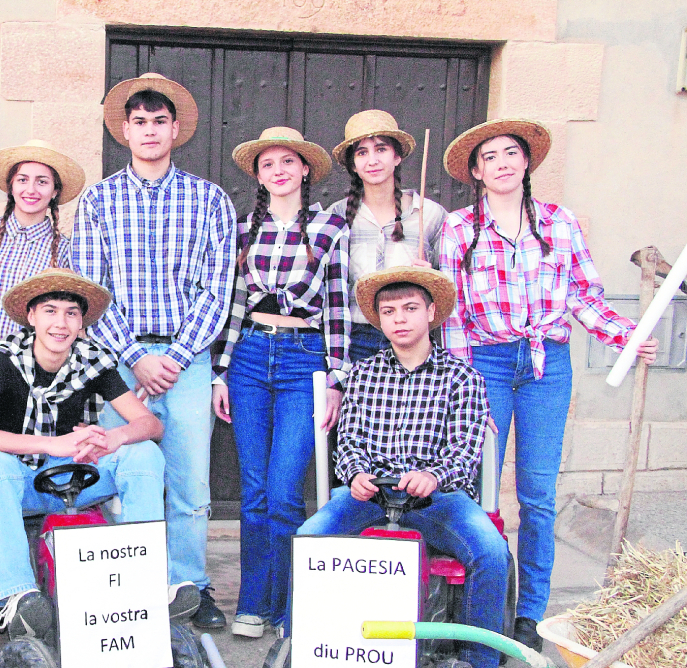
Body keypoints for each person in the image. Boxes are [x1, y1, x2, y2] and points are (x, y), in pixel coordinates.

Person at [438, 119, 658, 651]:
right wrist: (467, 385)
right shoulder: (459, 228)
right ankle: (477, 601)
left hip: (545, 365)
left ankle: (530, 612)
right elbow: (452, 315)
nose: (503, 162)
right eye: (490, 156)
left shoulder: (559, 223)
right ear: (476, 170)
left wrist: (625, 337)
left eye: (511, 153)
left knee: (537, 495)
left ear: (527, 162)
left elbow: (583, 295)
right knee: (473, 486)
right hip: (483, 364)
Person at [71, 73, 236, 629]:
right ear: (123, 130)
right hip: (117, 361)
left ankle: (188, 585)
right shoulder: (97, 199)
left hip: (185, 362)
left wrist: (177, 357)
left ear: (175, 130)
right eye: (138, 121)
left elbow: (218, 289)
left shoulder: (209, 199)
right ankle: (129, 587)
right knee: (125, 469)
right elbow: (90, 289)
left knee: (189, 484)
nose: (148, 130)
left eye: (158, 121)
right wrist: (136, 356)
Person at [281, 266, 507, 668]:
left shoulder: (462, 377)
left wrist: (433, 475)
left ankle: (479, 658)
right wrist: (355, 475)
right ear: (379, 319)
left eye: (409, 308)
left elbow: (465, 448)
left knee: (491, 552)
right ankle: (303, 645)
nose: (399, 319)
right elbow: (350, 440)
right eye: (389, 312)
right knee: (308, 537)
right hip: (372, 495)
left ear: (430, 312)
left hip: (438, 499)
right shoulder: (364, 375)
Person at [0, 268, 196, 640]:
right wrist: (51, 444)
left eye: (71, 313)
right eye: (50, 311)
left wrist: (114, 437)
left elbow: (150, 424)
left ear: (82, 322)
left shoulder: (92, 360)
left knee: (144, 453)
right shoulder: (0, 361)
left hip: (74, 477)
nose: (61, 323)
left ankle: (149, 584)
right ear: (32, 316)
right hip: (19, 484)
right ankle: (18, 595)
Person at [211, 127, 350, 639]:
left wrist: (335, 378)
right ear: (258, 174)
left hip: (303, 359)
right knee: (253, 492)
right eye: (267, 164)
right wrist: (221, 371)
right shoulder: (244, 228)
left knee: (285, 490)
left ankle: (293, 608)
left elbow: (335, 305)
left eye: (288, 162)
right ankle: (252, 605)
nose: (278, 171)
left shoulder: (330, 225)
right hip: (249, 357)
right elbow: (234, 304)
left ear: (305, 169)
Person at [0, 140, 84, 440]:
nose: (31, 189)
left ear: (54, 192)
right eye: (23, 180)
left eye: (42, 182)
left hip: (25, 367)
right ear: (10, 186)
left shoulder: (63, 251)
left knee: (17, 451)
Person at [327, 109, 448, 363]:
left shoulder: (430, 214)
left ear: (397, 156)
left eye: (381, 149)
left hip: (413, 337)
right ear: (353, 164)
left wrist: (430, 278)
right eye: (362, 153)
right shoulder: (336, 216)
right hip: (355, 338)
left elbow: (448, 286)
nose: (372, 160)